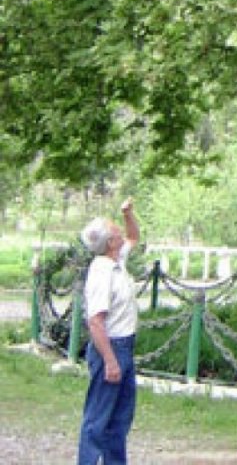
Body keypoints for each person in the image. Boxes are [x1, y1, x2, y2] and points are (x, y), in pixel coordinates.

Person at [77, 199, 141, 465]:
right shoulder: (102, 271)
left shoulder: (117, 260)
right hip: (110, 348)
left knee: (120, 418)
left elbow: (134, 237)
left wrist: (128, 214)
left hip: (125, 345)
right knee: (98, 419)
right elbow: (96, 322)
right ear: (110, 242)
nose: (119, 231)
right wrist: (110, 361)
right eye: (115, 229)